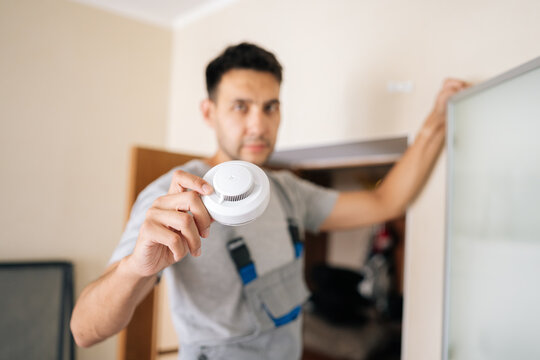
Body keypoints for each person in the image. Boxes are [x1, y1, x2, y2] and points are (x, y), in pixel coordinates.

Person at [70, 42, 468, 359]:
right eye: (240, 106)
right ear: (209, 113)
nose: (258, 124)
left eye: (270, 107)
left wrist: (436, 123)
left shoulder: (286, 190)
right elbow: (85, 332)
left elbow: (384, 203)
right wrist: (133, 270)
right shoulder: (170, 199)